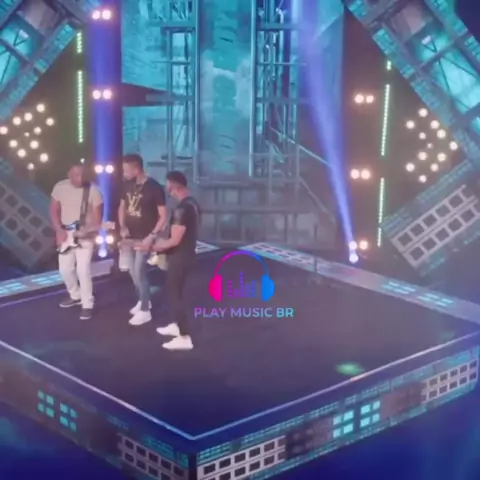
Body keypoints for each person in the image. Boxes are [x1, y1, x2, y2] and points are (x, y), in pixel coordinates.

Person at [144, 170, 200, 351]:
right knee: (176, 292)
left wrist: (155, 247)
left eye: (167, 183)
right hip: (187, 255)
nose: (165, 186)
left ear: (174, 185)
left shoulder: (181, 210)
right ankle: (177, 325)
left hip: (179, 258)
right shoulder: (192, 203)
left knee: (175, 295)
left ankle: (184, 337)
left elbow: (174, 241)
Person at [50, 163, 103, 320]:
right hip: (65, 233)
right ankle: (75, 295)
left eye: (82, 175)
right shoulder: (60, 187)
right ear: (69, 175)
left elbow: (98, 219)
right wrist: (58, 230)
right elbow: (53, 210)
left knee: (83, 270)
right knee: (65, 270)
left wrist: (89, 231)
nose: (80, 179)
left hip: (85, 235)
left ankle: (87, 304)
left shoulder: (93, 190)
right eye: (76, 175)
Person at [118, 154, 167, 326]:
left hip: (145, 237)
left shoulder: (154, 187)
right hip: (129, 236)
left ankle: (145, 310)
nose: (124, 173)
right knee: (133, 271)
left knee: (140, 271)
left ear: (136, 169)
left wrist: (152, 235)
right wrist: (122, 226)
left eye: (126, 170)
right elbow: (122, 206)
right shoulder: (126, 184)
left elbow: (163, 216)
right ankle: (143, 299)